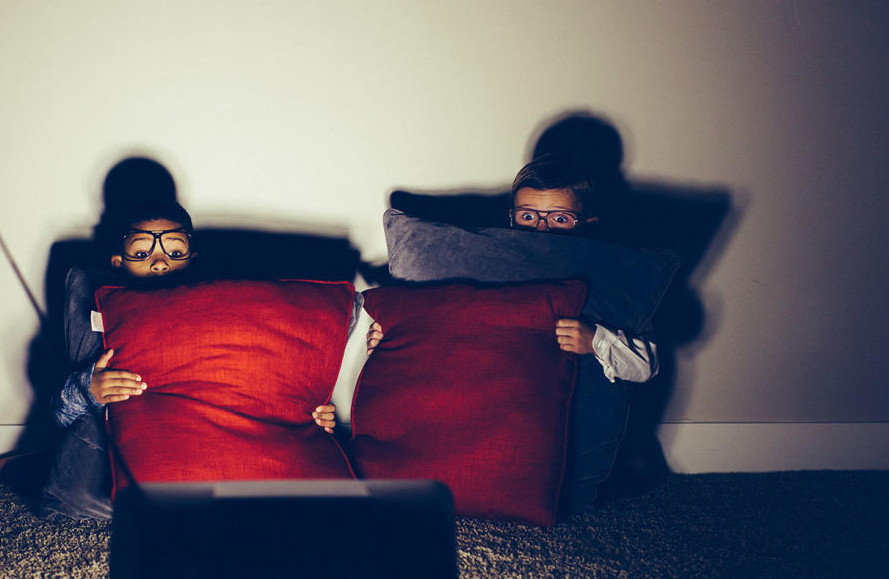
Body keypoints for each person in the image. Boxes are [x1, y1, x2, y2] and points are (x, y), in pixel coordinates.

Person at [40, 199, 336, 522]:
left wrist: (307, 416)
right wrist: (89, 389)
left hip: (205, 439)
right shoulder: (102, 320)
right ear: (117, 263)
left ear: (192, 261)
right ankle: (31, 465)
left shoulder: (217, 312)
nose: (159, 263)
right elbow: (59, 414)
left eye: (175, 253)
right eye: (141, 254)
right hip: (126, 448)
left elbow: (258, 381)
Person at [362, 155, 659, 384]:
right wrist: (390, 343)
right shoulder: (491, 263)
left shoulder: (606, 273)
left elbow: (647, 366)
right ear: (512, 219)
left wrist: (595, 340)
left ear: (587, 224)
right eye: (529, 216)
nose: (542, 229)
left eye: (560, 219)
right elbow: (450, 328)